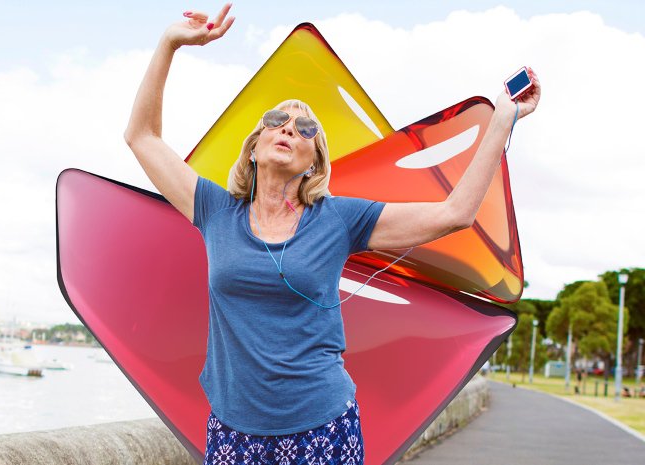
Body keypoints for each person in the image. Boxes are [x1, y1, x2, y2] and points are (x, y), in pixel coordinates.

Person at [123, 4, 541, 464]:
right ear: (255, 148)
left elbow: (455, 213)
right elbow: (142, 136)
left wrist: (503, 120)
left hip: (321, 427)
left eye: (304, 128)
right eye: (276, 120)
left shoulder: (338, 218)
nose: (288, 128)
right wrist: (169, 42)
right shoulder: (215, 210)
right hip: (231, 431)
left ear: (313, 163)